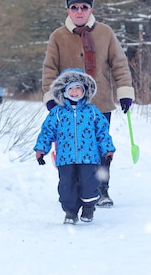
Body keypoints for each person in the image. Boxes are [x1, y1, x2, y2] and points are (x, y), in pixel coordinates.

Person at [42, 0, 134, 208]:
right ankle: (75, 191)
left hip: (100, 103)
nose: (79, 11)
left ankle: (101, 189)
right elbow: (49, 69)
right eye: (74, 8)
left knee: (102, 148)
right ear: (68, 11)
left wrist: (124, 91)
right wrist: (50, 97)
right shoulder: (58, 36)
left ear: (91, 9)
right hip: (68, 107)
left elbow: (119, 64)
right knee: (72, 149)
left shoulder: (105, 33)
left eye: (84, 7)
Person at [34, 68, 115, 224]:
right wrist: (40, 149)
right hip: (65, 157)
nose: (75, 92)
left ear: (85, 90)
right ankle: (70, 212)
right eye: (70, 88)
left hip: (89, 157)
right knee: (66, 186)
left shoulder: (92, 111)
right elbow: (47, 131)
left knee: (89, 184)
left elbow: (102, 132)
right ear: (63, 91)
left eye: (78, 88)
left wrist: (108, 149)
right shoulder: (57, 112)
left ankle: (88, 208)